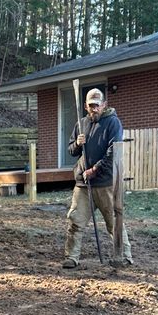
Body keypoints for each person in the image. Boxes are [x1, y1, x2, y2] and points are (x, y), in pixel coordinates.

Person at [62, 87, 132, 269]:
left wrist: (95, 169)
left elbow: (112, 153)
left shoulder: (113, 123)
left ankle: (123, 257)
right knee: (75, 220)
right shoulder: (81, 124)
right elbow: (71, 151)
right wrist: (77, 143)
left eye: (97, 105)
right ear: (85, 106)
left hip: (106, 183)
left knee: (114, 223)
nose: (94, 109)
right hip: (83, 184)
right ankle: (72, 257)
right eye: (91, 105)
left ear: (104, 105)